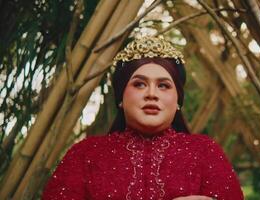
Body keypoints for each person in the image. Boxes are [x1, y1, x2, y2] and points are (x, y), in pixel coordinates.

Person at [42, 36, 244, 200]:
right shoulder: (85, 155)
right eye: (139, 84)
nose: (151, 94)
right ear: (121, 96)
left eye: (163, 85)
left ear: (178, 100)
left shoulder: (205, 152)